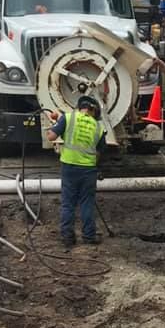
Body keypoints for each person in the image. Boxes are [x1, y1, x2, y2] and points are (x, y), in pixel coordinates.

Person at [46, 95, 106, 248]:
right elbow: (99, 153)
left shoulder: (68, 118)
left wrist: (53, 125)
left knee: (68, 203)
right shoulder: (99, 127)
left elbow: (51, 137)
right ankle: (89, 236)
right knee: (87, 203)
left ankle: (68, 238)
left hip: (69, 167)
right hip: (89, 170)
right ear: (93, 110)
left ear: (79, 107)